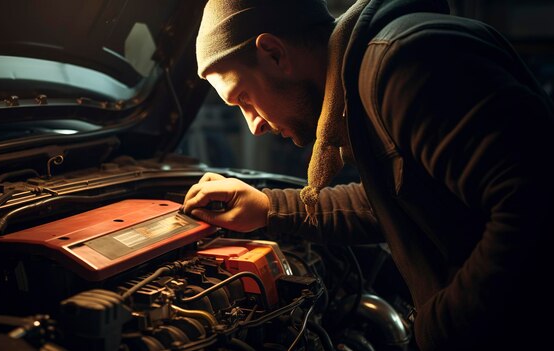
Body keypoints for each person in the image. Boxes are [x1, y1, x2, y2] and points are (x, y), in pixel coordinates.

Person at [181, 0, 554, 350]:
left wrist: (442, 327)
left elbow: (532, 203)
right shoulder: (365, 83)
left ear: (275, 54)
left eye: (244, 97)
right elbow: (397, 194)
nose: (253, 126)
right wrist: (269, 207)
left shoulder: (405, 67)